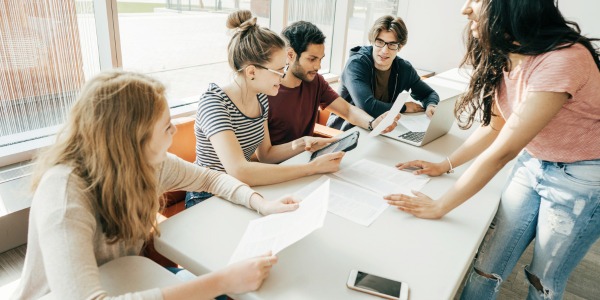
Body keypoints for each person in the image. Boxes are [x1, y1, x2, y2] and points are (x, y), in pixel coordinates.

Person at [12, 70, 299, 299]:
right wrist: (222, 280)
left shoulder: (148, 163)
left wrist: (261, 203)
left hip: (125, 278)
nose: (175, 130)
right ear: (131, 141)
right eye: (166, 126)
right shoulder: (64, 195)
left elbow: (210, 176)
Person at [387, 1, 600, 299]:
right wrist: (444, 164)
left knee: (544, 281)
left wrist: (440, 205)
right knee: (486, 265)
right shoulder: (506, 54)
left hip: (583, 175)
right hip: (534, 160)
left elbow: (503, 151)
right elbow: (496, 127)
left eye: (477, 0)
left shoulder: (562, 60)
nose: (465, 9)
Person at [187, 10, 344, 208]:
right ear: (251, 71)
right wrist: (311, 168)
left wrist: (303, 142)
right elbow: (239, 170)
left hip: (241, 192)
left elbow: (267, 154)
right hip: (207, 198)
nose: (283, 77)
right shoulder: (214, 103)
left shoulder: (261, 97)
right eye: (278, 71)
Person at [267, 21, 398, 145]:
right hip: (277, 166)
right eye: (312, 59)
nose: (318, 66)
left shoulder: (315, 81)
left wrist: (373, 123)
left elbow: (348, 111)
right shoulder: (267, 90)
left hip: (306, 158)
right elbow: (262, 155)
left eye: (320, 59)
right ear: (290, 55)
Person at [328, 15, 439, 131]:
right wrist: (404, 107)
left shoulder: (403, 68)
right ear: (372, 41)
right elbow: (368, 106)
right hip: (346, 131)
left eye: (392, 44)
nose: (384, 51)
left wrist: (431, 105)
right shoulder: (356, 64)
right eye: (380, 42)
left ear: (400, 47)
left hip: (381, 130)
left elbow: (429, 94)